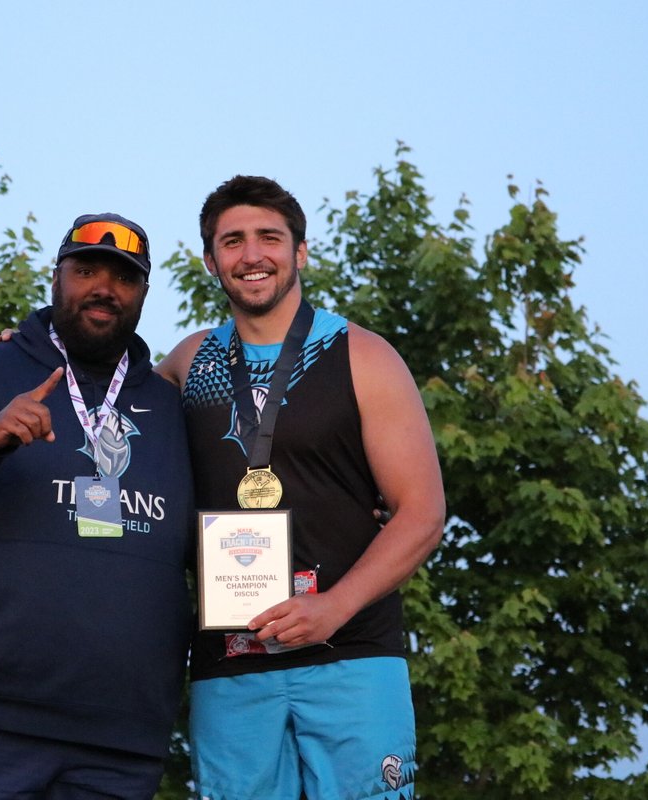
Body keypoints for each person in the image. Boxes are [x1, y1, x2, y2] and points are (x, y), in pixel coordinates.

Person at [157, 176, 446, 800]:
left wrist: (332, 608)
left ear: (301, 251)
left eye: (269, 237)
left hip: (352, 655)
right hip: (229, 664)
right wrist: (17, 353)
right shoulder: (188, 363)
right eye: (232, 241)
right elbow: (100, 418)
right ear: (210, 261)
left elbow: (422, 514)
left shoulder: (362, 355)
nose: (251, 255)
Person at [0, 212, 195, 800]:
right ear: (56, 277)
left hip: (120, 737)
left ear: (143, 294)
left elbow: (216, 536)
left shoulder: (168, 406)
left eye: (124, 278)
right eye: (86, 271)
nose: (104, 288)